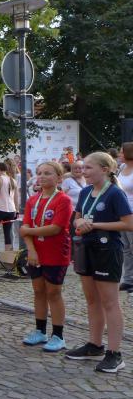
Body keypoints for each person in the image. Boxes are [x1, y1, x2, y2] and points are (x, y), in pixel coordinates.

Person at [66, 152, 133, 373]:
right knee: (92, 300)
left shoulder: (115, 193)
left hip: (107, 250)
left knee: (110, 303)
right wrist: (79, 223)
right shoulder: (85, 192)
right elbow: (76, 218)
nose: (83, 171)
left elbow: (128, 224)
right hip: (86, 248)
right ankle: (95, 345)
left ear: (104, 170)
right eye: (83, 167)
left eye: (88, 168)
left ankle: (115, 354)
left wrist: (94, 225)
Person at [19, 162, 72, 352]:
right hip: (36, 252)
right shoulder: (32, 200)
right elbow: (25, 228)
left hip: (56, 252)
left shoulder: (63, 200)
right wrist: (31, 250)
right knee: (38, 291)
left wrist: (29, 231)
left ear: (59, 178)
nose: (42, 176)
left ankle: (58, 335)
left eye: (47, 173)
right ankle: (40, 331)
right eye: (40, 173)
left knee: (53, 293)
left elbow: (55, 228)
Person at [117, 143, 133, 291]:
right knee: (126, 248)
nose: (119, 154)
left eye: (122, 152)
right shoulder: (121, 168)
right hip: (122, 212)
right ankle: (128, 279)